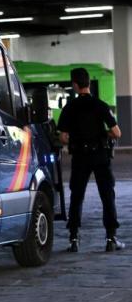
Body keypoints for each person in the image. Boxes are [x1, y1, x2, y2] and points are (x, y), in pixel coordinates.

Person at [57, 67, 124, 252]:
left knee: (77, 196)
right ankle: (111, 238)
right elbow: (117, 132)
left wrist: (76, 138)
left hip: (80, 157)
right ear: (88, 83)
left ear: (75, 85)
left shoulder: (69, 107)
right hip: (100, 156)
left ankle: (73, 239)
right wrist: (102, 134)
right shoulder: (100, 105)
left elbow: (63, 137)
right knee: (107, 196)